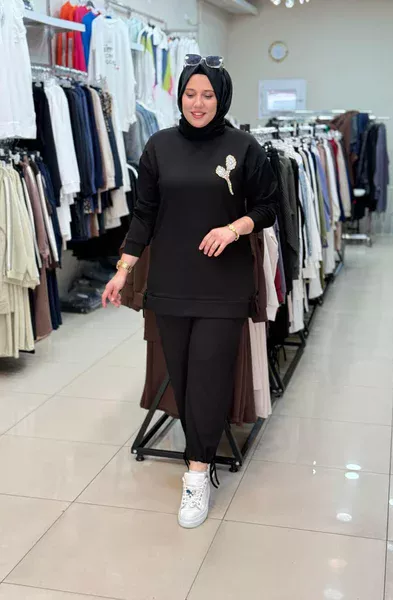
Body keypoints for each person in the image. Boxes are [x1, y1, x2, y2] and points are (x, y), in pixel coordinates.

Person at [102, 55, 278, 529]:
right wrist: (123, 270)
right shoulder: (159, 146)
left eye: (208, 95)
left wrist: (234, 228)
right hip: (171, 284)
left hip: (224, 285)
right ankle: (197, 455)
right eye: (190, 93)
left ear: (222, 99)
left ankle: (197, 474)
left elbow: (268, 206)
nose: (198, 103)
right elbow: (144, 214)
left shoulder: (244, 147)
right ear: (180, 96)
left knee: (208, 379)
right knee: (180, 379)